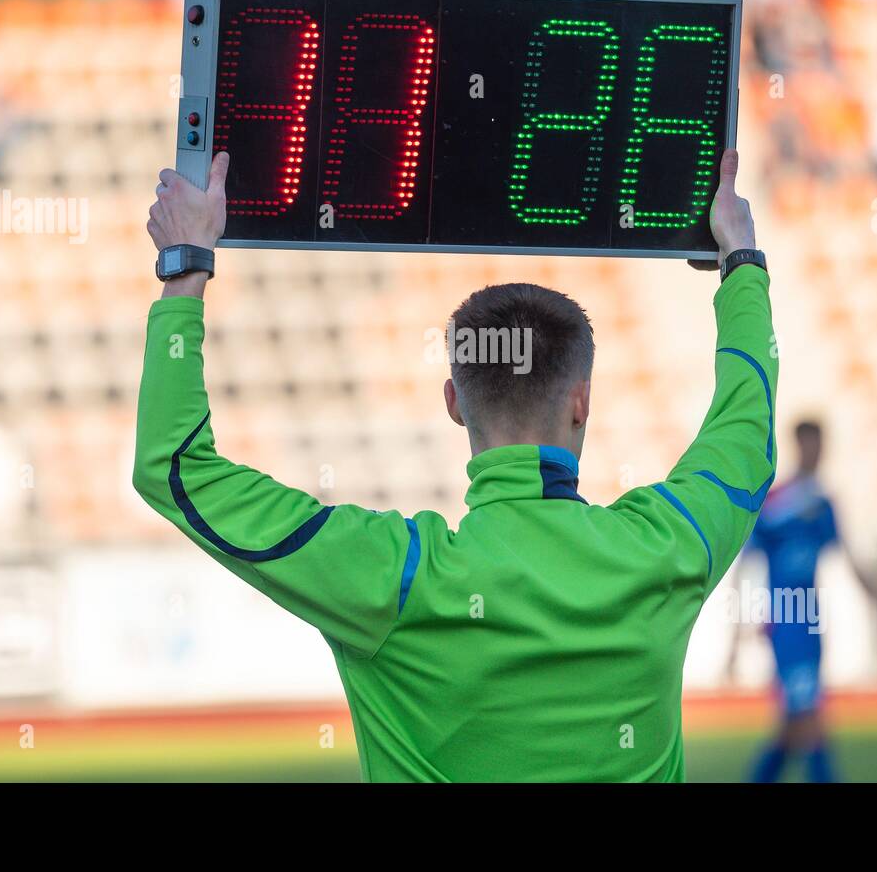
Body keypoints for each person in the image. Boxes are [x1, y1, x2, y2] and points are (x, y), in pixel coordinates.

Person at [133, 148, 777, 781]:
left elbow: (174, 467)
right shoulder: (667, 547)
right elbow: (746, 426)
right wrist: (740, 259)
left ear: (454, 404)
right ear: (581, 402)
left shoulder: (394, 575)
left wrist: (186, 268)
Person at [745, 419, 853, 782]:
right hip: (786, 622)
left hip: (809, 621)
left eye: (820, 445)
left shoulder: (822, 502)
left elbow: (849, 557)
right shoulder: (777, 502)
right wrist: (745, 622)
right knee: (809, 722)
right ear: (798, 445)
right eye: (810, 444)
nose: (816, 452)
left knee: (793, 728)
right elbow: (748, 561)